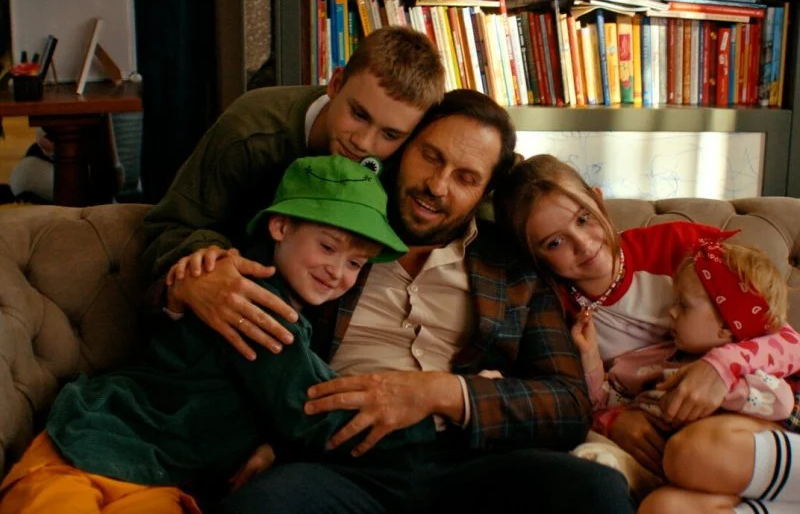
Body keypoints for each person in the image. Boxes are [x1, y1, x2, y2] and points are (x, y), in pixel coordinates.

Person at [168, 90, 632, 513]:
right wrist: (192, 275)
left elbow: (568, 403)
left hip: (473, 460)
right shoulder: (330, 227)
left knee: (595, 490)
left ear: (484, 193)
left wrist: (444, 393)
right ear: (405, 147)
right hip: (344, 461)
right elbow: (247, 324)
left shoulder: (513, 266)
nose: (437, 185)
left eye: (466, 177)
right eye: (431, 156)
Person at [0, 154, 431, 514]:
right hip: (94, 445)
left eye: (355, 263)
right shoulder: (252, 299)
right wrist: (426, 424)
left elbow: (298, 396)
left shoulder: (290, 316)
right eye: (328, 246)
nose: (337, 271)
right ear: (280, 227)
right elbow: (308, 411)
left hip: (160, 477)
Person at [492, 153, 800, 510]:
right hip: (674, 447)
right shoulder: (555, 315)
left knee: (695, 452)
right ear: (534, 256)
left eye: (583, 218)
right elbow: (582, 400)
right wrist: (616, 422)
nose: (584, 244)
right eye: (554, 243)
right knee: (662, 506)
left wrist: (719, 367)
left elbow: (786, 339)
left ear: (599, 202)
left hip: (759, 420)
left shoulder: (685, 250)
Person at [141, 25, 446, 361]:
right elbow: (166, 230)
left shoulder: (402, 161)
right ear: (336, 83)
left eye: (390, 135)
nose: (364, 143)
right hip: (225, 322)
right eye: (358, 114)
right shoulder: (250, 130)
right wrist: (206, 266)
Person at [572, 241, 797, 499]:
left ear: (727, 324)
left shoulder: (748, 369)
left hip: (718, 468)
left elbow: (781, 401)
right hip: (655, 462)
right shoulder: (653, 358)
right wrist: (590, 355)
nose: (671, 311)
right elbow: (605, 399)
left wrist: (725, 392)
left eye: (684, 305)